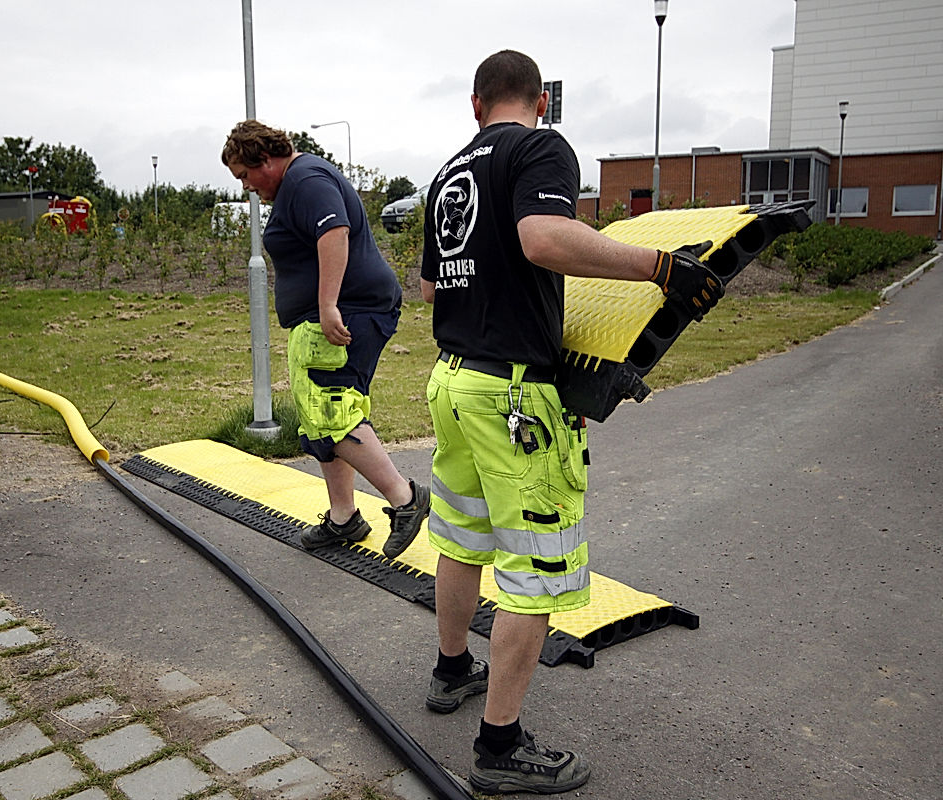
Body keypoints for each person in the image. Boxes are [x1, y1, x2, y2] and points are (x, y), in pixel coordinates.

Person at [418, 50, 722, 795]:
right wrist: (661, 268)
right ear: (542, 101)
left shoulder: (451, 172)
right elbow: (544, 239)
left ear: (475, 104)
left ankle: (453, 669)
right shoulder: (540, 148)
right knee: (537, 572)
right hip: (512, 400)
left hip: (452, 382)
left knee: (461, 536)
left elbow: (429, 287)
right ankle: (500, 747)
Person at [221, 120, 431, 559]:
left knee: (334, 410)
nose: (247, 187)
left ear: (266, 159)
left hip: (351, 310)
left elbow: (335, 234)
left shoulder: (306, 180)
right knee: (321, 414)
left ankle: (406, 499)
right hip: (335, 313)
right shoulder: (296, 183)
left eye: (245, 175)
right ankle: (343, 517)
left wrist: (328, 304)